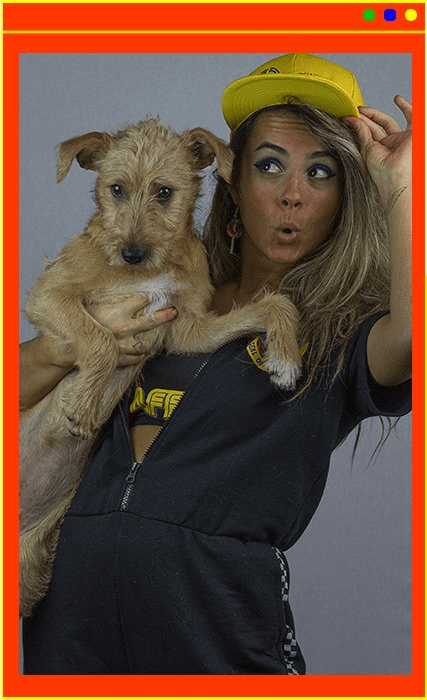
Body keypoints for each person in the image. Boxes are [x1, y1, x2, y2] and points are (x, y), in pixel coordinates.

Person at [20, 53, 411, 674]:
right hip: (68, 643)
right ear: (232, 182)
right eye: (269, 165)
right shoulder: (160, 284)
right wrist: (60, 348)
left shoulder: (338, 334)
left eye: (320, 171)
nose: (291, 193)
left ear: (345, 196)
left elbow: (411, 340)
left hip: (216, 647)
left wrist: (403, 191)